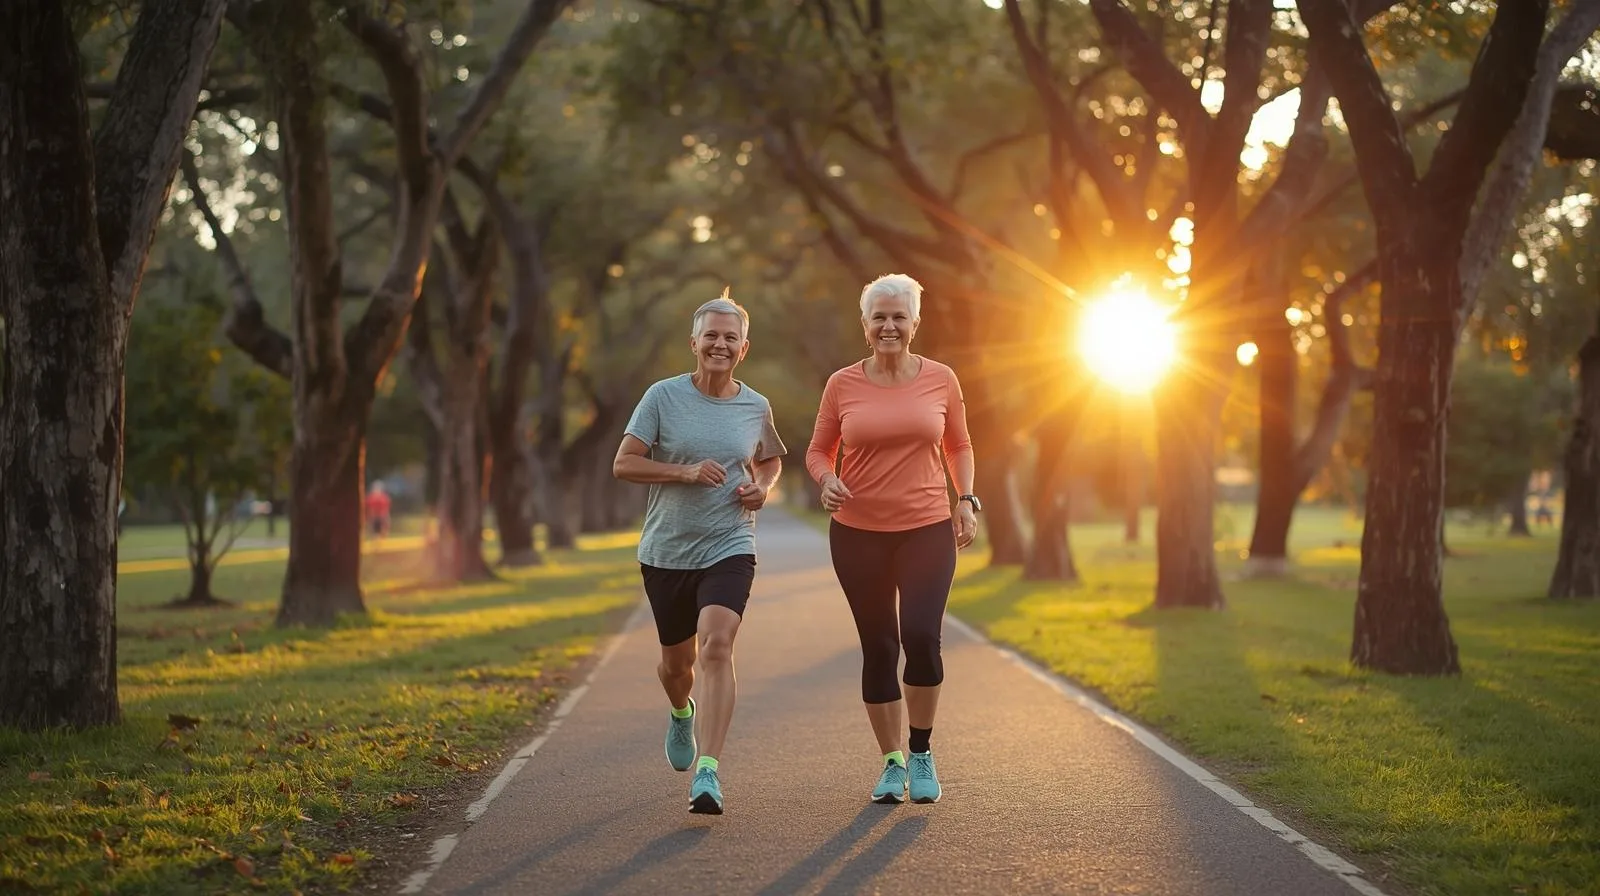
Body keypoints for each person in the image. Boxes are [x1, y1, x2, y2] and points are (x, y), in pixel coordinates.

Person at [805, 273, 978, 806]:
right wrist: (827, 479)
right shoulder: (841, 384)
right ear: (865, 325)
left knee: (922, 637)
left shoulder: (942, 378)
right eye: (879, 317)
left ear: (914, 323)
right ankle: (891, 761)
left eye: (898, 316)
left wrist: (966, 498)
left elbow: (960, 444)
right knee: (879, 646)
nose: (889, 325)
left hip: (926, 527)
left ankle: (921, 752)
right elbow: (817, 451)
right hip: (858, 534)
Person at [612, 289, 786, 815]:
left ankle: (708, 773)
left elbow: (772, 460)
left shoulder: (755, 405)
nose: (720, 344)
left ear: (744, 347)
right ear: (694, 342)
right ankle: (681, 711)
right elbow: (624, 463)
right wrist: (684, 472)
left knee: (717, 645)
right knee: (676, 666)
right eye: (711, 335)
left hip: (730, 541)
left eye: (730, 337)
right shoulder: (662, 397)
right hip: (666, 550)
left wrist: (765, 488)